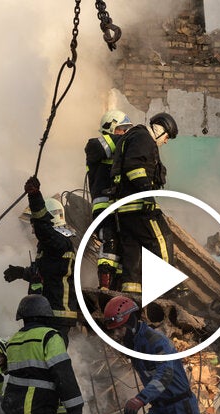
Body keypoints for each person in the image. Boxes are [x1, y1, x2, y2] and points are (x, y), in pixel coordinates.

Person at [109, 112, 178, 294]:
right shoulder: (143, 138)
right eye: (167, 136)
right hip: (139, 206)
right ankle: (167, 284)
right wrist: (147, 192)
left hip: (124, 209)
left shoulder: (133, 137)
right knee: (162, 238)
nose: (166, 141)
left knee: (133, 252)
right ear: (159, 129)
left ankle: (132, 292)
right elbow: (134, 168)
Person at [3, 177, 78, 343]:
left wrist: (35, 196)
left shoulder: (59, 242)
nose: (32, 229)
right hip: (45, 314)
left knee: (49, 359)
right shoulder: (49, 246)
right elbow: (44, 273)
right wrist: (21, 272)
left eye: (33, 224)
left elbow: (43, 229)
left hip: (55, 315)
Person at [87, 109, 133, 290]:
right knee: (110, 240)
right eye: (123, 128)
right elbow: (103, 145)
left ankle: (118, 286)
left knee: (123, 245)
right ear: (111, 128)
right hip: (104, 205)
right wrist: (134, 139)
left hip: (120, 205)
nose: (126, 133)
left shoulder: (122, 150)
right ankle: (104, 285)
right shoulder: (95, 145)